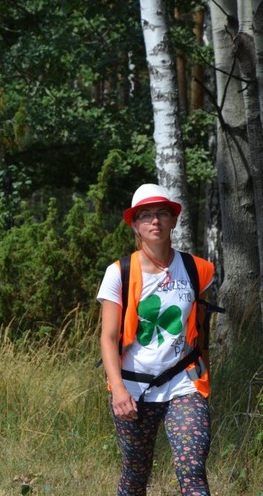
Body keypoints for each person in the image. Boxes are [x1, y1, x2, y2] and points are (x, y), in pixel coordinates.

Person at [97, 184, 215, 495]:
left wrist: (204, 376)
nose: (155, 221)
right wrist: (118, 390)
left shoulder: (197, 269)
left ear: (174, 220)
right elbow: (108, 338)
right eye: (146, 216)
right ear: (134, 225)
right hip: (134, 390)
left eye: (162, 213)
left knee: (192, 470)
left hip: (184, 385)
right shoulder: (119, 273)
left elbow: (201, 331)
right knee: (136, 474)